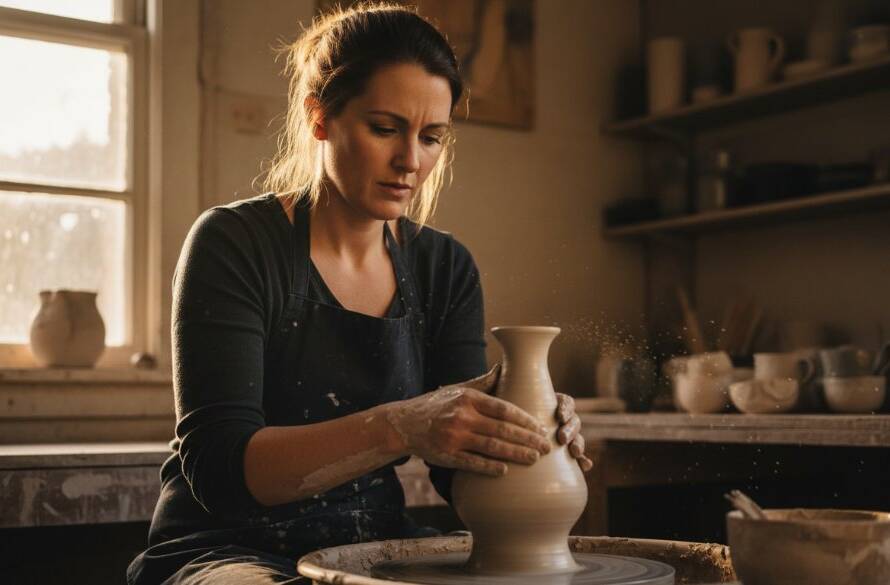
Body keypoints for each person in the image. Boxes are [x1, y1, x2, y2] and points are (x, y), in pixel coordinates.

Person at [128, 4, 592, 584]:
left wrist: (523, 431)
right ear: (319, 117)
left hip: (375, 544)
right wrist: (403, 424)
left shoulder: (445, 267)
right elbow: (220, 468)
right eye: (385, 128)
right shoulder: (235, 243)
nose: (410, 161)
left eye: (431, 137)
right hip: (226, 548)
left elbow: (457, 476)